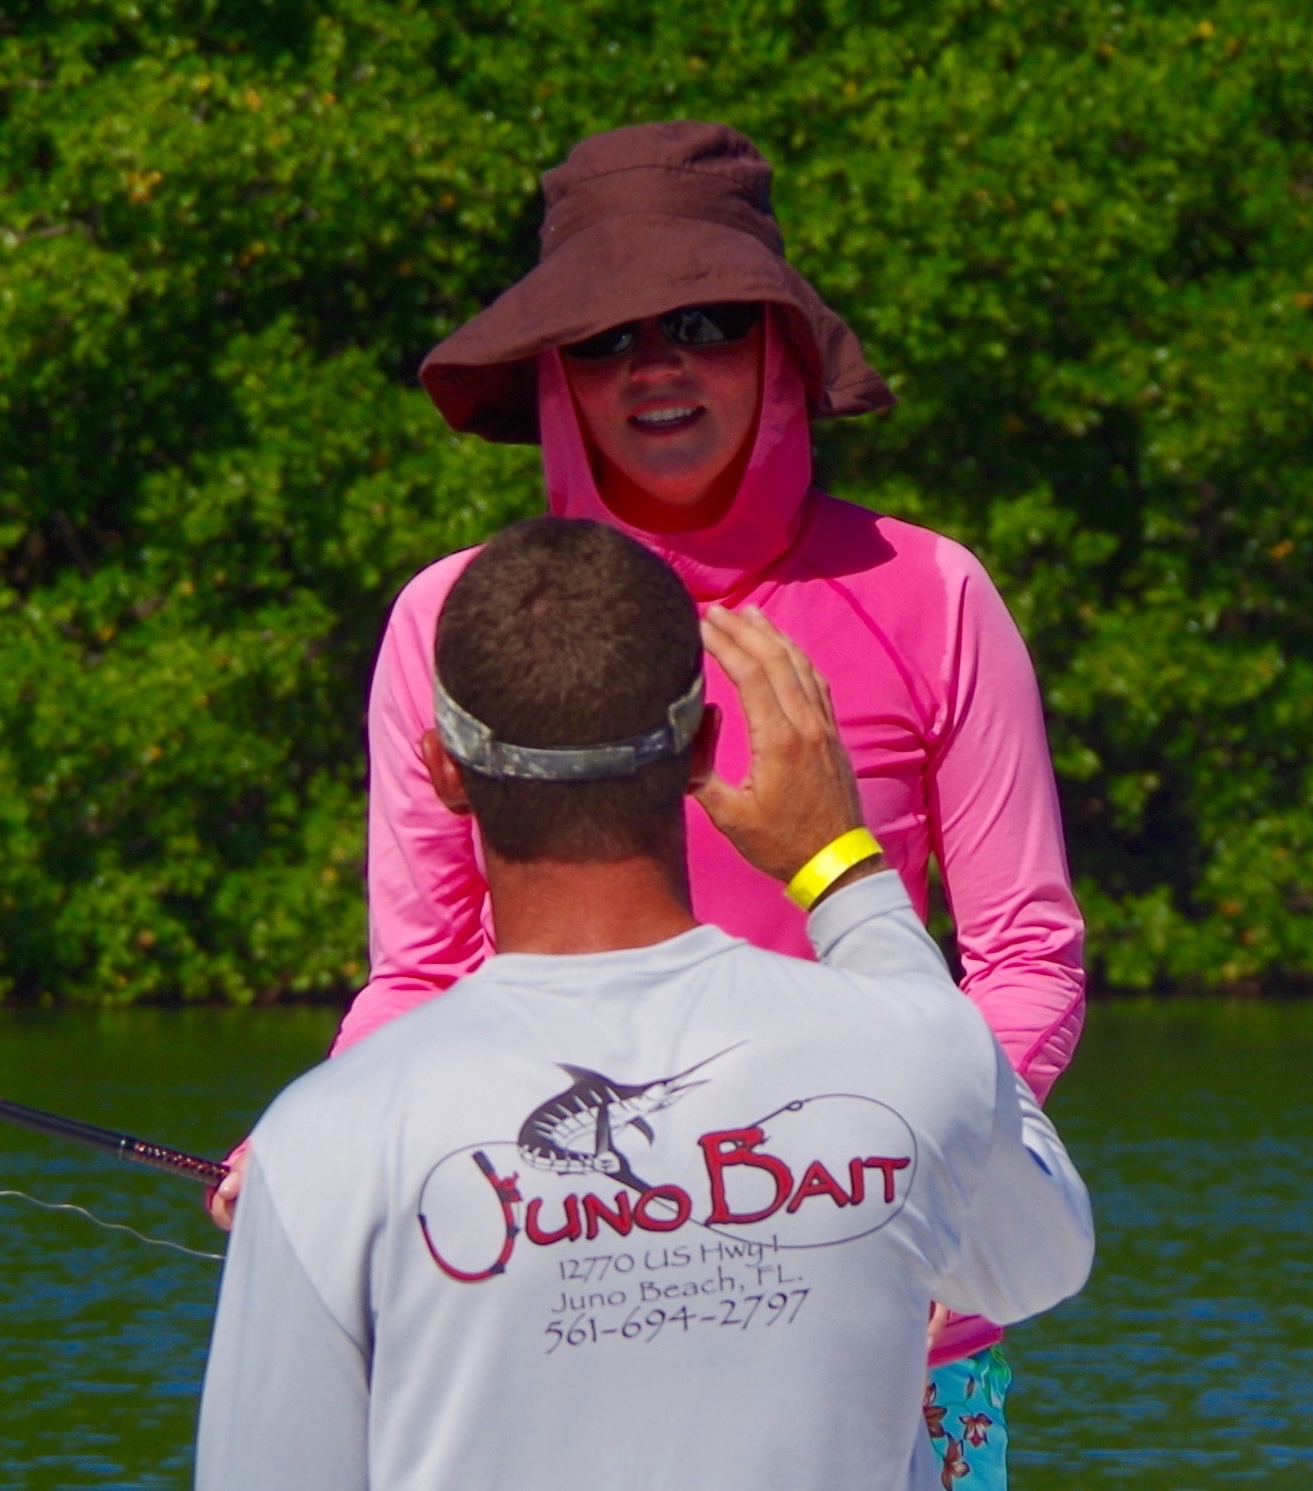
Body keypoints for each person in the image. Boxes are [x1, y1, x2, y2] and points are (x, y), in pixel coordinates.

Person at [210, 120, 1086, 1487]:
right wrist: (312, 1144)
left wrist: (929, 1186)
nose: (656, 365)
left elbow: (1026, 955)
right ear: (554, 373)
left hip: (901, 1306)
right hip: (564, 1278)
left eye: (704, 324)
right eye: (606, 338)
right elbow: (417, 975)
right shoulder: (455, 618)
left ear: (778, 352)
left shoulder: (930, 592)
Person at [196, 518, 1093, 1491]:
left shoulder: (322, 1141)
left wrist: (301, 1190)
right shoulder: (911, 1051)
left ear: (442, 770)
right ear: (702, 748)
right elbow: (1038, 1257)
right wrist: (843, 875)